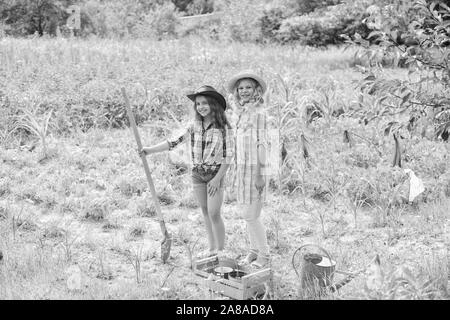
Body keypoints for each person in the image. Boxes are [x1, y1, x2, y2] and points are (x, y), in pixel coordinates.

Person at [140, 85, 234, 260]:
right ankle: (212, 248)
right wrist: (149, 150)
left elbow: (228, 157)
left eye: (205, 103)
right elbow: (174, 142)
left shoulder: (224, 129)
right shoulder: (194, 126)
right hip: (197, 174)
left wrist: (217, 179)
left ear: (214, 104)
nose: (201, 107)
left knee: (214, 212)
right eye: (198, 104)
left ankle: (221, 252)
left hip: (215, 175)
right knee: (205, 211)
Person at [227, 71, 272, 268]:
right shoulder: (241, 113)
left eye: (248, 87)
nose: (244, 91)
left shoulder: (259, 114)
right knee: (246, 213)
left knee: (252, 215)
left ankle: (265, 254)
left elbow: (263, 145)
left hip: (256, 169)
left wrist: (260, 174)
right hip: (242, 169)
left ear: (256, 91)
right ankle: (253, 250)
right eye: (241, 88)